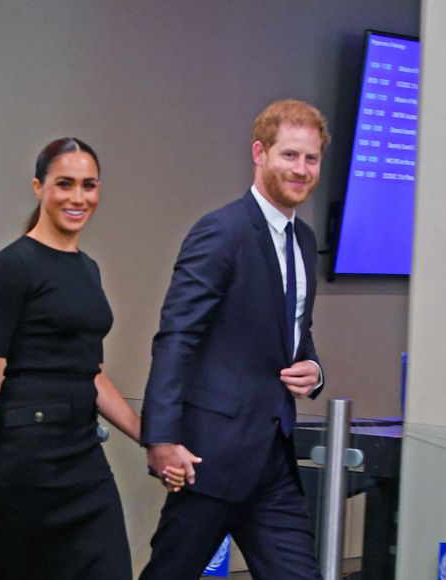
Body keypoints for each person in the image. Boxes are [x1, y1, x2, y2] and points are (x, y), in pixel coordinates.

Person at [0, 138, 184, 580]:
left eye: (89, 185)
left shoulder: (87, 269)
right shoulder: (10, 267)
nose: (78, 198)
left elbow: (90, 373)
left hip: (81, 457)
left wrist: (150, 439)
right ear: (39, 187)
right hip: (25, 461)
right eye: (65, 184)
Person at [139, 99, 330, 580]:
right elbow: (176, 337)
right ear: (259, 153)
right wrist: (161, 438)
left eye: (311, 159)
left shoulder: (303, 240)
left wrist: (314, 369)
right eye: (289, 155)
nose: (301, 169)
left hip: (274, 462)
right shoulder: (220, 232)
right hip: (211, 459)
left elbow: (293, 332)